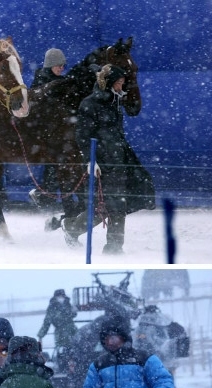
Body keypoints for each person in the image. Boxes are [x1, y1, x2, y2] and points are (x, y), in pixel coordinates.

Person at [74, 64, 155, 253]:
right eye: (118, 82)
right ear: (109, 82)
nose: (121, 86)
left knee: (119, 204)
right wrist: (91, 161)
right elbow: (83, 135)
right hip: (101, 164)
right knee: (101, 209)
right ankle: (70, 228)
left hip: (119, 160)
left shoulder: (116, 102)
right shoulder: (89, 104)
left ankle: (114, 247)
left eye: (122, 83)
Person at [29, 50, 67, 210]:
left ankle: (45, 196)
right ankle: (45, 197)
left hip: (58, 131)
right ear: (50, 65)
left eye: (63, 65)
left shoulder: (62, 81)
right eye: (59, 65)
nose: (61, 68)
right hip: (44, 131)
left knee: (57, 166)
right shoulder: (40, 82)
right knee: (55, 165)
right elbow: (36, 104)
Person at [37, 290, 77, 362]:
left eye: (62, 296)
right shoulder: (52, 307)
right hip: (60, 334)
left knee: (74, 350)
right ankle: (63, 363)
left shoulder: (67, 304)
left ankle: (73, 364)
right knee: (62, 352)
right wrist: (41, 335)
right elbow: (47, 322)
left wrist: (74, 311)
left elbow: (72, 315)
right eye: (59, 296)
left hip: (72, 331)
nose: (61, 298)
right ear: (55, 297)